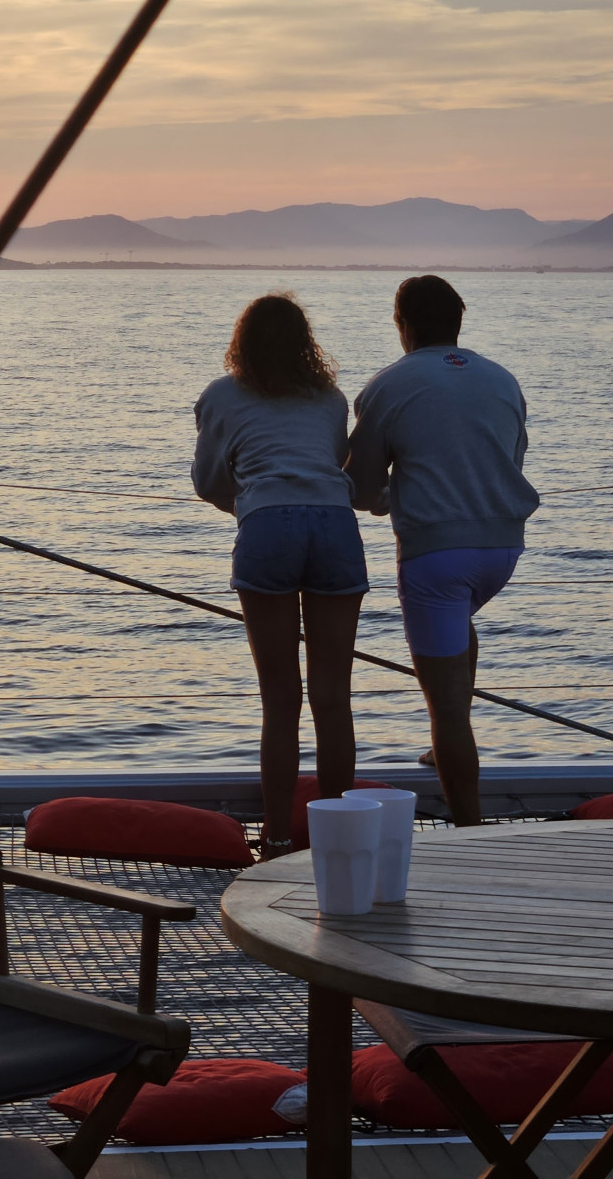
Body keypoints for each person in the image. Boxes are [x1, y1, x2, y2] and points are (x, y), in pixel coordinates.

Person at [345, 275, 539, 829]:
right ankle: (448, 746)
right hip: (502, 550)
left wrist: (386, 498)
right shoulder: (502, 379)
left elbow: (360, 487)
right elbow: (510, 457)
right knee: (459, 632)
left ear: (402, 325)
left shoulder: (389, 384)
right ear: (458, 322)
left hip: (435, 555)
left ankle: (469, 833)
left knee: (445, 709)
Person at [191, 293, 367, 859]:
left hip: (268, 524)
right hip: (336, 524)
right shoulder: (330, 397)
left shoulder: (221, 395)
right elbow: (337, 464)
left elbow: (210, 480)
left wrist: (249, 505)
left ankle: (278, 838)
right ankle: (340, 839)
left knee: (280, 699)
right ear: (304, 344)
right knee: (333, 698)